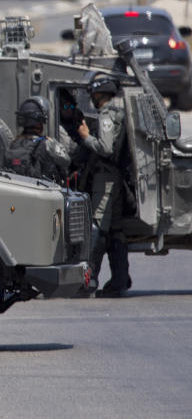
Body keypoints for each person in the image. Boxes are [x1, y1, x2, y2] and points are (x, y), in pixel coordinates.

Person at [74, 73, 132, 297]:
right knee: (116, 229)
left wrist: (86, 136)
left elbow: (105, 148)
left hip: (106, 178)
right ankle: (119, 280)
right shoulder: (116, 113)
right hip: (114, 178)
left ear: (99, 93)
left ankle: (89, 281)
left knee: (97, 226)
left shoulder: (106, 115)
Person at [4, 96, 71, 183]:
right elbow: (66, 161)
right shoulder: (47, 143)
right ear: (40, 121)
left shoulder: (14, 143)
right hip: (41, 190)